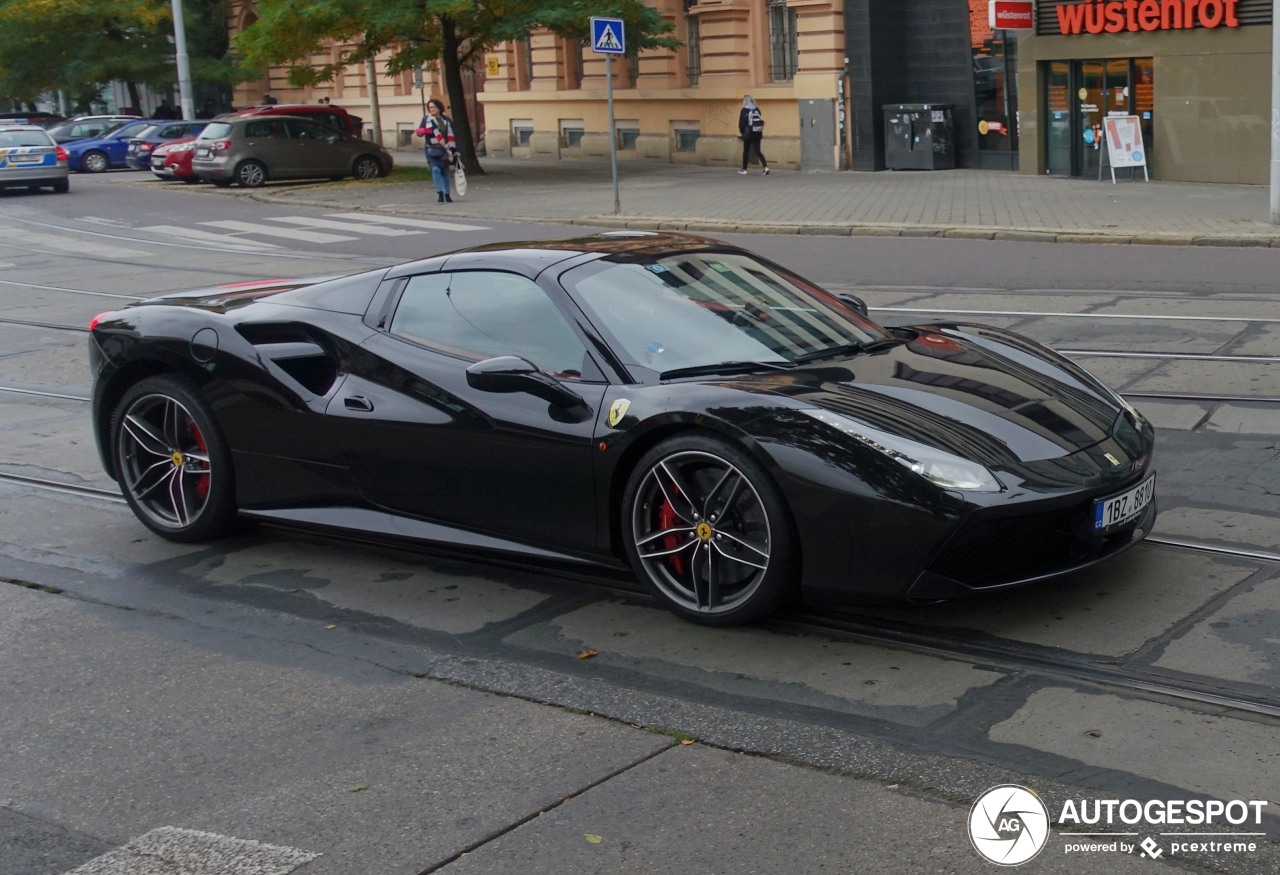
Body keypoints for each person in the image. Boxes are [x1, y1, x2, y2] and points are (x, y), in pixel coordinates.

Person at [416, 98, 458, 203]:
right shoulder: (426, 119)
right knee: (435, 170)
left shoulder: (446, 120)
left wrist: (456, 149)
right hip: (431, 149)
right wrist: (421, 132)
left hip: (445, 149)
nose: (432, 109)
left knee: (444, 171)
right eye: (430, 107)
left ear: (439, 107)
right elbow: (420, 132)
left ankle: (447, 194)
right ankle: (440, 193)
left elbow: (454, 135)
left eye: (434, 107)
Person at [738, 95, 769, 176]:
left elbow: (741, 123)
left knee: (746, 151)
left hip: (748, 133)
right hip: (758, 132)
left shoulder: (744, 110)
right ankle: (766, 167)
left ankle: (744, 169)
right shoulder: (756, 109)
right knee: (758, 151)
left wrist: (742, 132)